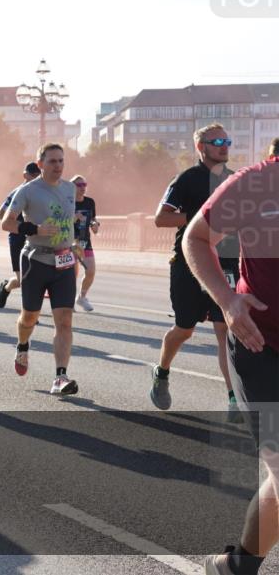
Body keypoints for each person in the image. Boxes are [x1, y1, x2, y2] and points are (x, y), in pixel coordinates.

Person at [191, 138, 279, 575]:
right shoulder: (256, 184)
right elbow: (197, 237)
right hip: (261, 345)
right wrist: (227, 301)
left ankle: (238, 565)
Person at [150, 123, 241, 421]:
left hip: (225, 264)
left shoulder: (234, 180)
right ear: (201, 147)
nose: (224, 146)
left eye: (226, 141)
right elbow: (161, 218)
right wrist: (202, 218)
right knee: (184, 330)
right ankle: (162, 371)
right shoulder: (187, 179)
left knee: (225, 330)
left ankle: (233, 400)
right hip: (189, 264)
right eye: (216, 141)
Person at [0, 143, 80, 395]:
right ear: (40, 164)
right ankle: (23, 345)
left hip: (64, 261)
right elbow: (6, 223)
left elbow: (66, 220)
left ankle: (60, 377)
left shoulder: (70, 188)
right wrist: (34, 229)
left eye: (61, 161)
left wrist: (74, 242)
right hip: (35, 260)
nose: (58, 166)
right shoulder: (27, 191)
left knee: (64, 320)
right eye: (53, 161)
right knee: (30, 317)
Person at [0, 162, 42, 308]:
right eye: (32, 175)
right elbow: (0, 214)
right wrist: (18, 224)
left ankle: (29, 311)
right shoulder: (17, 192)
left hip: (35, 237)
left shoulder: (43, 192)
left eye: (37, 175)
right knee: (22, 279)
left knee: (33, 277)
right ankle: (7, 287)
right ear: (25, 175)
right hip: (17, 236)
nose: (35, 178)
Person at [70, 175, 100, 312]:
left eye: (84, 184)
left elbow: (93, 219)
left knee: (91, 271)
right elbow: (60, 221)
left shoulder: (90, 202)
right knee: (71, 274)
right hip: (68, 242)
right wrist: (74, 218)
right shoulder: (67, 202)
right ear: (72, 187)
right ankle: (68, 301)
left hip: (84, 241)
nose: (83, 187)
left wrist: (94, 224)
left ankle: (81, 297)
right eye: (79, 185)